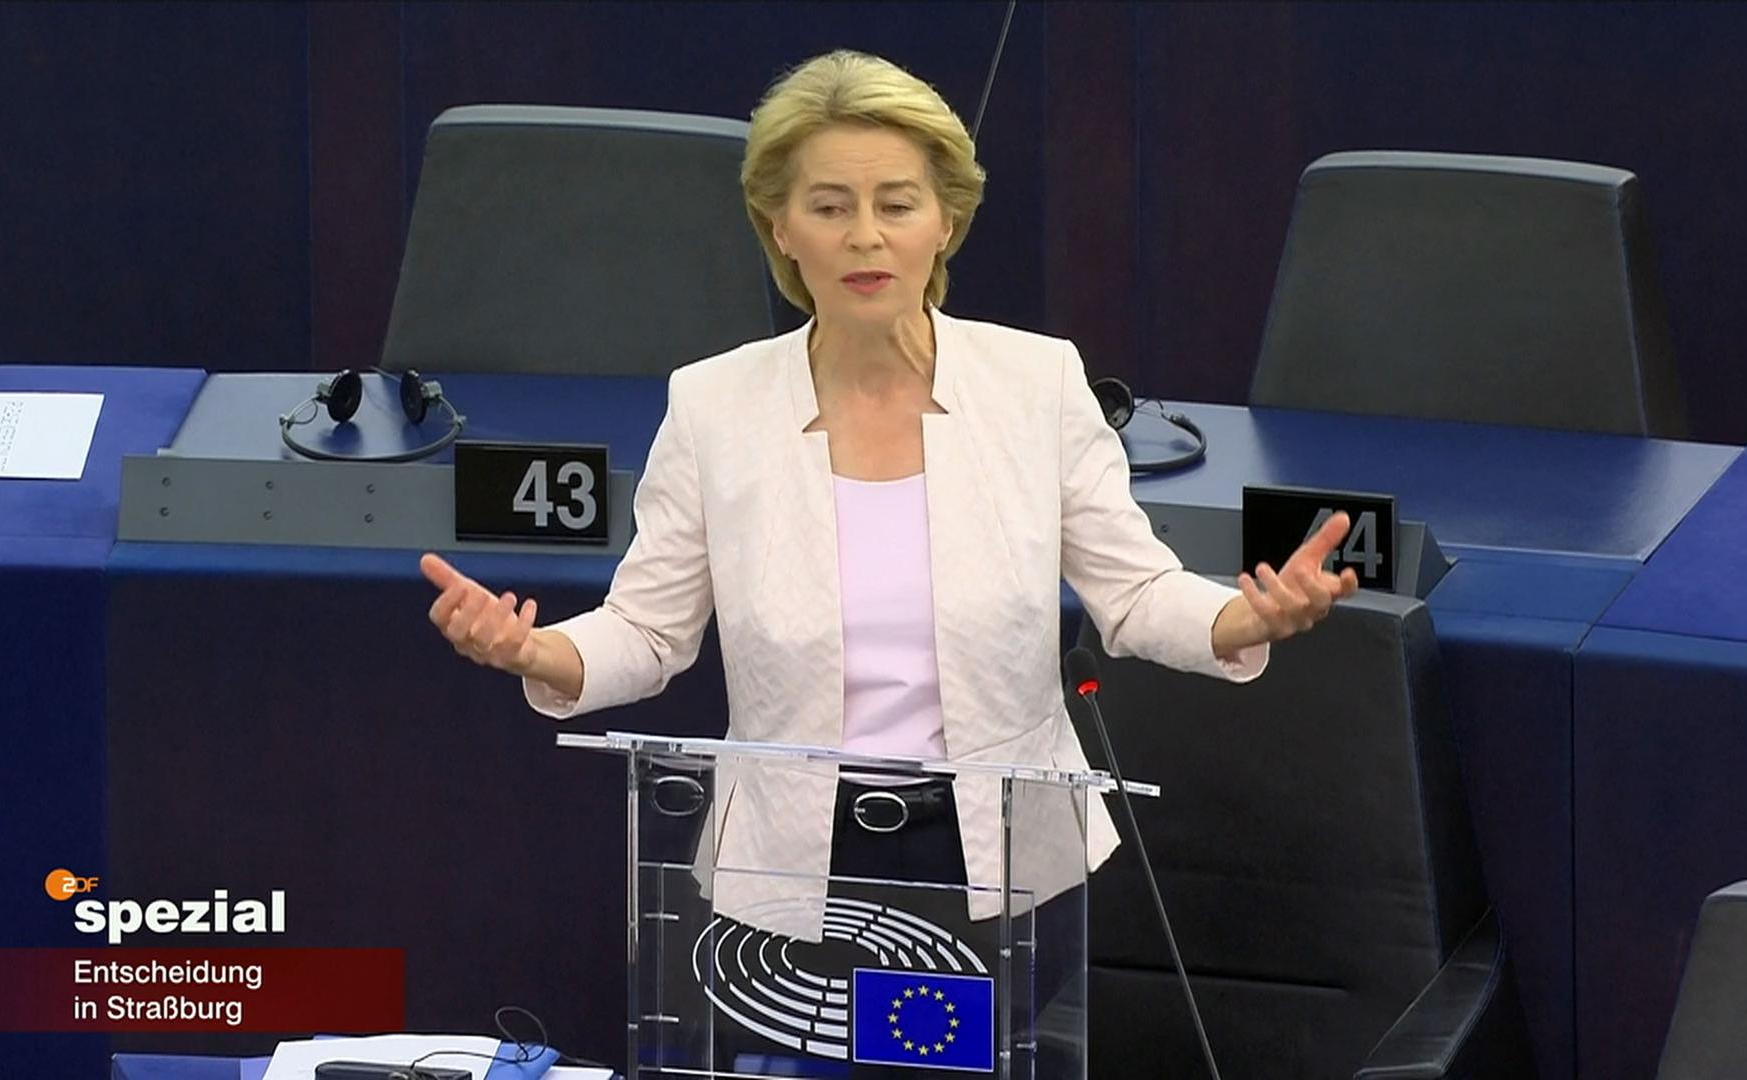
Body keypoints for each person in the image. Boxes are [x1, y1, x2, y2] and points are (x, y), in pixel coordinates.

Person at [421, 47, 1355, 1072]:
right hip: (795, 862)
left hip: (999, 858)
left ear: (945, 219)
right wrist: (535, 651)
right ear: (779, 226)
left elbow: (1134, 594)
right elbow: (647, 632)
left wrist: (1246, 618)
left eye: (896, 204)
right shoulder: (715, 404)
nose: (864, 235)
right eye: (829, 206)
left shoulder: (1036, 384)